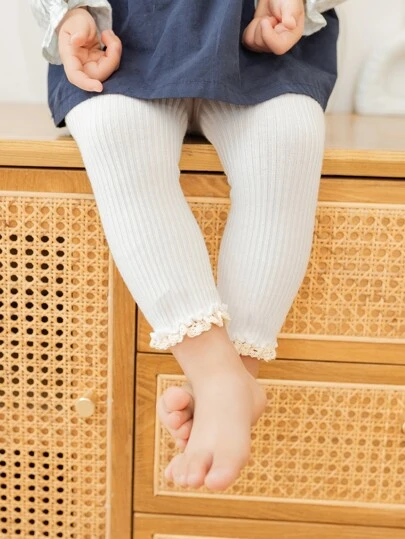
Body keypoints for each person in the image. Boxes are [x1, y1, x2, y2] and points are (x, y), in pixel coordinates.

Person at [31, 0, 345, 491]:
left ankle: (229, 377)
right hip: (123, 44)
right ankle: (222, 377)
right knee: (116, 134)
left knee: (288, 140)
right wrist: (71, 13)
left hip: (259, 47)